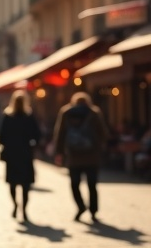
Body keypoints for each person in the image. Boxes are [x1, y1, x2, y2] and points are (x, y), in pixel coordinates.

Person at [53, 91, 108, 222]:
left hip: (73, 156)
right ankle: (93, 211)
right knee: (92, 185)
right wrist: (100, 148)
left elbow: (60, 133)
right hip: (92, 156)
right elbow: (103, 133)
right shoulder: (94, 113)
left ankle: (80, 206)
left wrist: (59, 151)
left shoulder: (66, 112)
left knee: (75, 184)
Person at [0, 90, 41, 222]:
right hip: (25, 153)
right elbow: (37, 135)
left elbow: (1, 137)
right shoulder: (29, 116)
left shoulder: (8, 116)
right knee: (25, 185)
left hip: (12, 154)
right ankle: (24, 209)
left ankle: (16, 205)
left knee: (12, 183)